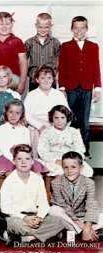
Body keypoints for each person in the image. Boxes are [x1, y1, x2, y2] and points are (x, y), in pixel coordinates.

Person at [0, 144, 64, 245]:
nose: (23, 162)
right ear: (13, 161)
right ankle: (49, 234)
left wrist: (39, 217)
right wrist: (24, 218)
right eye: (19, 159)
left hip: (35, 216)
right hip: (18, 217)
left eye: (27, 158)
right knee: (12, 223)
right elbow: (5, 208)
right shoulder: (9, 181)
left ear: (33, 161)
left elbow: (43, 204)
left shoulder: (38, 180)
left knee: (58, 222)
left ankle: (27, 238)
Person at [58, 16, 101, 158]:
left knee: (84, 121)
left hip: (87, 87)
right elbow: (62, 68)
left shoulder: (93, 46)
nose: (79, 31)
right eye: (76, 28)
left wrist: (97, 89)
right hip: (71, 87)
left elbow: (96, 68)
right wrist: (62, 88)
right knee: (69, 119)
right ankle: (67, 149)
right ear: (71, 29)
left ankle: (83, 150)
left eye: (82, 28)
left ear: (87, 29)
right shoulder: (65, 46)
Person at [49, 151, 103, 241]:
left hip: (83, 218)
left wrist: (87, 226)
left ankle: (71, 231)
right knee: (54, 210)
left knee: (101, 216)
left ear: (81, 168)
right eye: (66, 167)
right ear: (62, 168)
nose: (69, 171)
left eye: (73, 167)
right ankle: (85, 233)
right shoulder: (56, 183)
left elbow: (91, 204)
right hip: (67, 218)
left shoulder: (89, 182)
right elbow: (64, 207)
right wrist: (84, 229)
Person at [0, 99, 47, 175]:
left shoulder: (25, 130)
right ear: (6, 113)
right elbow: (3, 148)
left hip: (22, 156)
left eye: (17, 113)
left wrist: (22, 158)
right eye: (11, 112)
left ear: (21, 115)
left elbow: (27, 146)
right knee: (12, 175)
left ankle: (35, 186)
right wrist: (14, 159)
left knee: (37, 174)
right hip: (7, 157)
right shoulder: (1, 129)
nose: (13, 115)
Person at [24, 65, 69, 158]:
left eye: (49, 77)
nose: (46, 80)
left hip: (56, 126)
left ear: (53, 79)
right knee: (40, 155)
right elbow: (26, 114)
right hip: (37, 128)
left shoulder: (58, 94)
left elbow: (67, 113)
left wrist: (61, 128)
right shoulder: (31, 95)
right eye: (42, 78)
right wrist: (40, 127)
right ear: (37, 79)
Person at [38, 105, 93, 177]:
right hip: (54, 160)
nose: (59, 121)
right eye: (56, 118)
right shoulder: (47, 132)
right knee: (60, 171)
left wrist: (73, 161)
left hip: (72, 160)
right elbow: (42, 151)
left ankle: (77, 187)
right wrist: (56, 161)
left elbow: (80, 148)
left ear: (67, 118)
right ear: (52, 118)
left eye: (62, 117)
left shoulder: (73, 132)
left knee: (85, 170)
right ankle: (61, 187)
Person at [0, 12, 27, 94]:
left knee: (12, 104)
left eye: (7, 24)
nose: (4, 26)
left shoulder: (17, 41)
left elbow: (23, 62)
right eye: (1, 24)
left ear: (12, 25)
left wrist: (22, 81)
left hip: (13, 78)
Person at [24, 13, 61, 91]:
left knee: (50, 101)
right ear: (36, 25)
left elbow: (58, 61)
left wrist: (54, 74)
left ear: (51, 26)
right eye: (40, 27)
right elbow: (24, 61)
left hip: (50, 78)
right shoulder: (29, 42)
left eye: (46, 27)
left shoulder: (55, 42)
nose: (43, 30)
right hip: (34, 78)